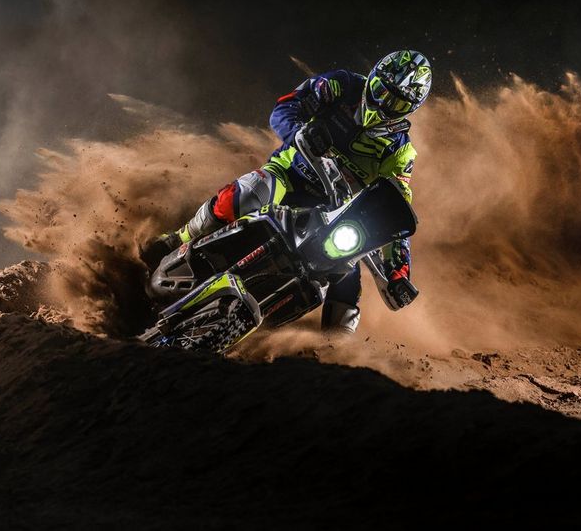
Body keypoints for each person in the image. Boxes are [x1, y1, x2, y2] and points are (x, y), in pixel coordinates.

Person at [140, 49, 432, 334]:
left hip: (332, 215)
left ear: (410, 109)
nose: (382, 103)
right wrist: (299, 131)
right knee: (246, 194)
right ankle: (178, 239)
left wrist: (399, 275)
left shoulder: (401, 153)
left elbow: (393, 212)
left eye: (396, 102)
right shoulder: (342, 85)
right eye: (381, 90)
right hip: (289, 175)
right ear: (373, 77)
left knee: (347, 275)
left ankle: (333, 353)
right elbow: (285, 106)